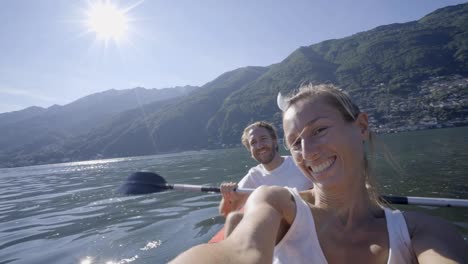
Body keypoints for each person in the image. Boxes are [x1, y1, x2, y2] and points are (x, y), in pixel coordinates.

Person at [171, 84, 467, 263]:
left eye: (319, 130)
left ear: (361, 127)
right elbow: (239, 253)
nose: (308, 151)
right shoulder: (270, 197)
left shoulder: (424, 232)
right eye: (296, 142)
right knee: (236, 218)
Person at [218, 121, 313, 217]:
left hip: (311, 219)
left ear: (275, 141)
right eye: (253, 142)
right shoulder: (253, 176)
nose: (259, 146)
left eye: (263, 139)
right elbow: (226, 213)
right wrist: (227, 198)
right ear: (250, 150)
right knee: (234, 219)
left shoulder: (299, 163)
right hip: (280, 227)